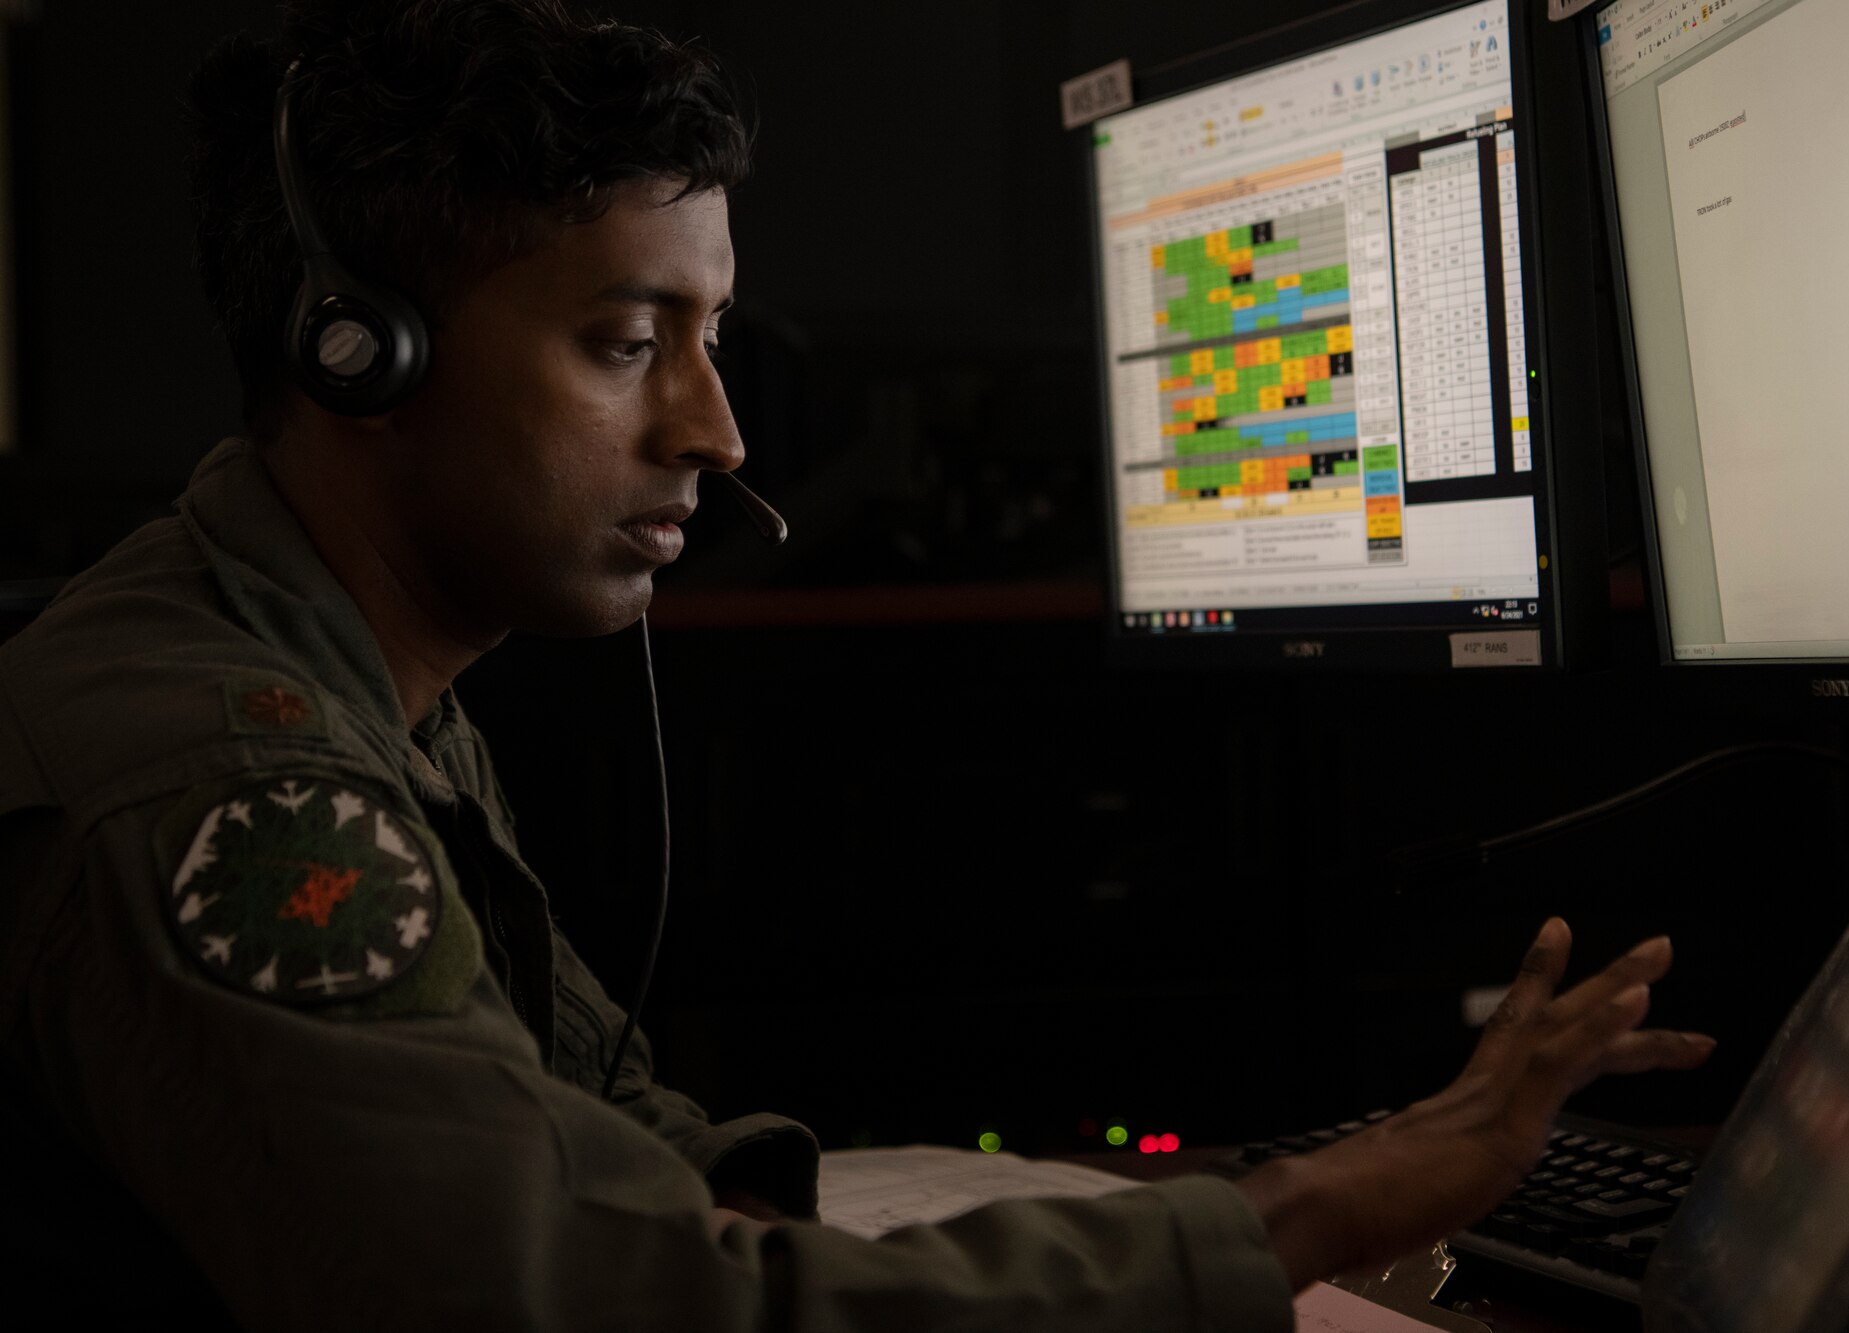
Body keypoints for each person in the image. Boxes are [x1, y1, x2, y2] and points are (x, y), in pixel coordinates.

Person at [0, 1, 1715, 1327]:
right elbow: (609, 1310)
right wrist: (1316, 1210)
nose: (717, 430)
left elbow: (618, 1141)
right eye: (625, 344)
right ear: (358, 355)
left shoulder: (354, 674)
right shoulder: (231, 781)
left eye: (714, 337)